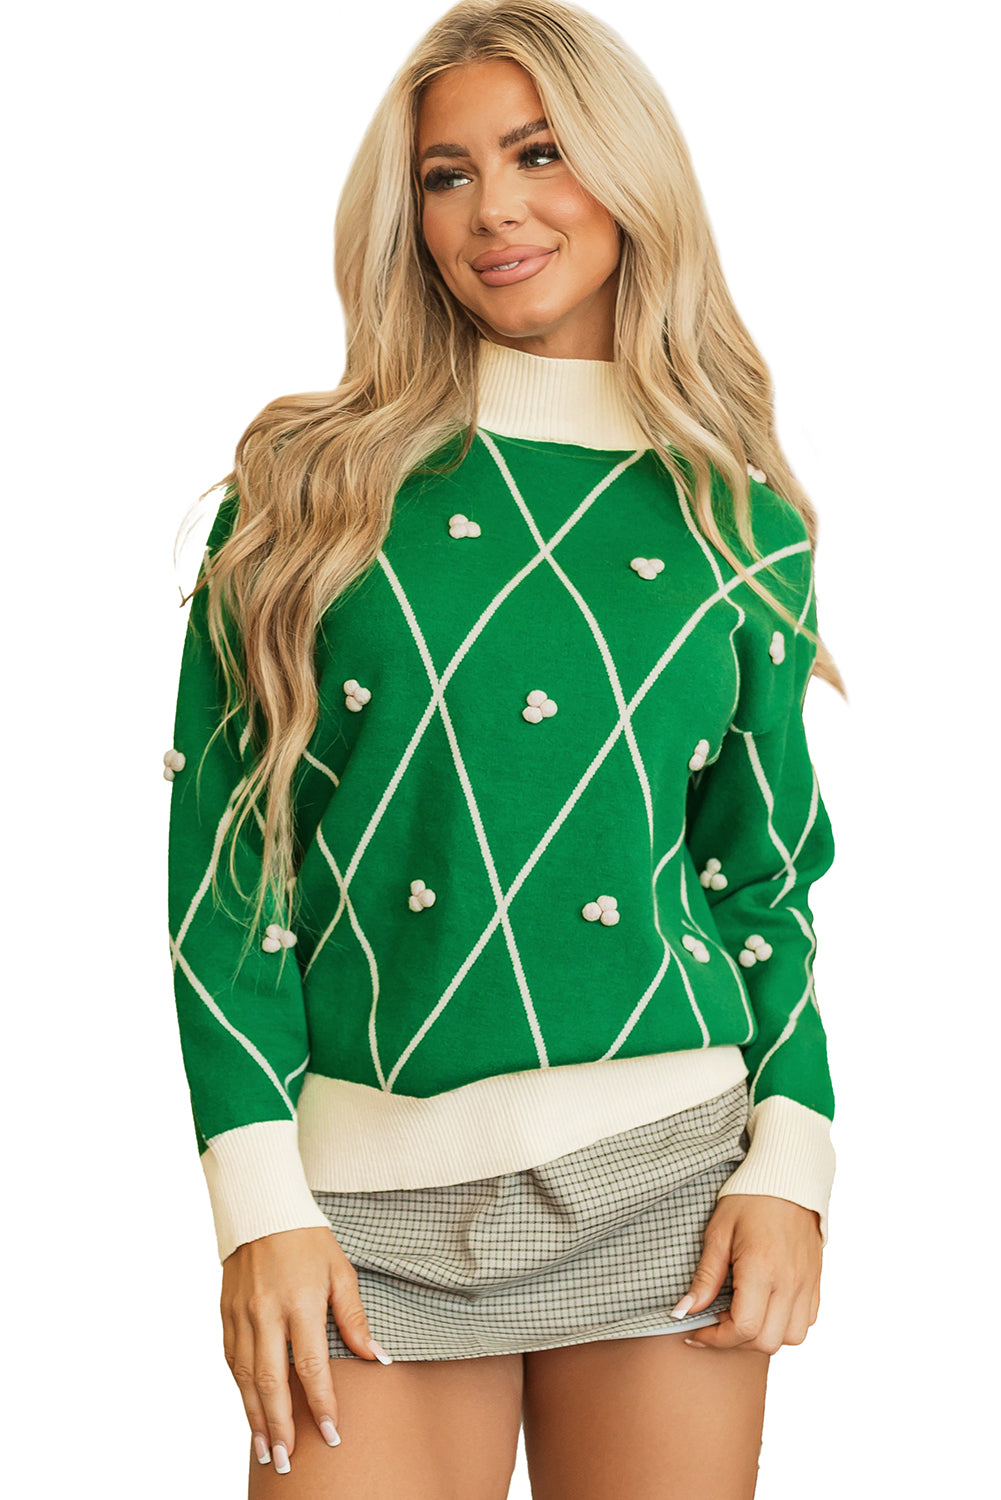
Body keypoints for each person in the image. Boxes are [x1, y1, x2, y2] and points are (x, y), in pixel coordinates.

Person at [165, 2, 843, 1494]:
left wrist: (793, 1156)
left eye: (539, 154)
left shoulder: (739, 524)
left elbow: (762, 878)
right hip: (357, 1204)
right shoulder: (305, 493)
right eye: (447, 173)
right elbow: (230, 870)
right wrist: (255, 1200)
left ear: (627, 171)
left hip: (674, 1174)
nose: (494, 209)